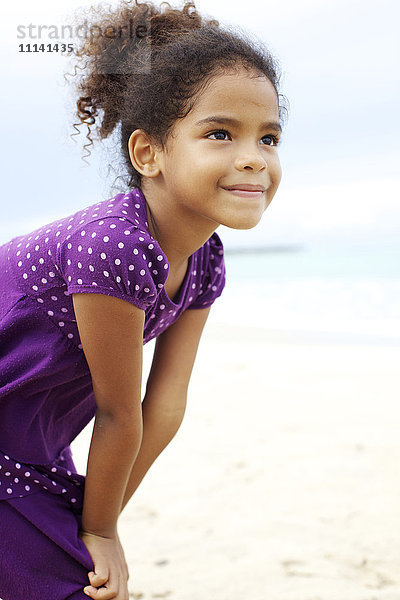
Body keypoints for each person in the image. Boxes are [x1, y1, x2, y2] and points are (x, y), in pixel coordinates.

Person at [0, 0, 288, 598]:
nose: (253, 157)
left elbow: (163, 406)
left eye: (269, 137)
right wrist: (99, 530)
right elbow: (117, 411)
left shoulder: (205, 259)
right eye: (219, 133)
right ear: (147, 153)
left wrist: (96, 525)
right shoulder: (114, 246)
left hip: (31, 443)